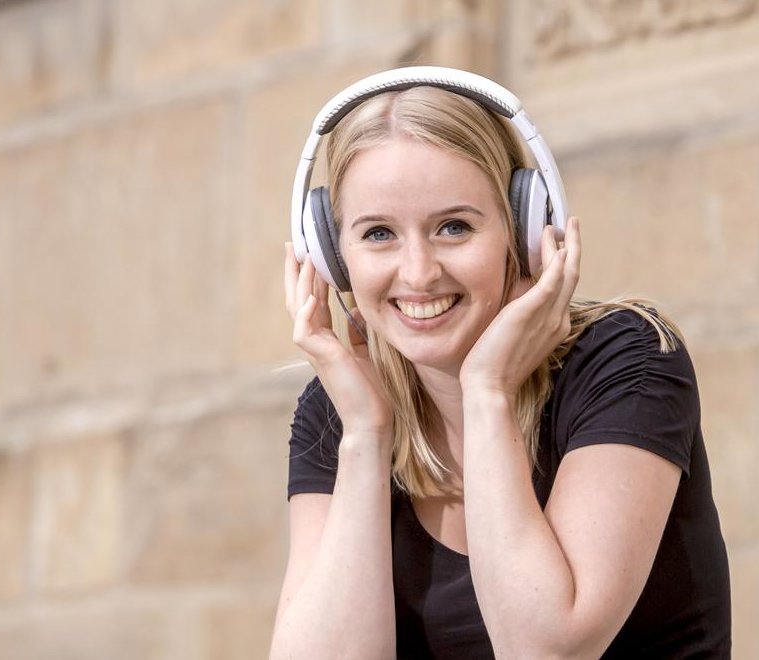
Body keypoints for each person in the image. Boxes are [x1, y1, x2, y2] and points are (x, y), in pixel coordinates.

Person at [271, 68, 731, 659]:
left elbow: (548, 648)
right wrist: (365, 435)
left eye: (454, 227)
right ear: (332, 256)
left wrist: (486, 390)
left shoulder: (626, 358)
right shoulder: (340, 409)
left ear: (524, 230)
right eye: (379, 233)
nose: (418, 273)